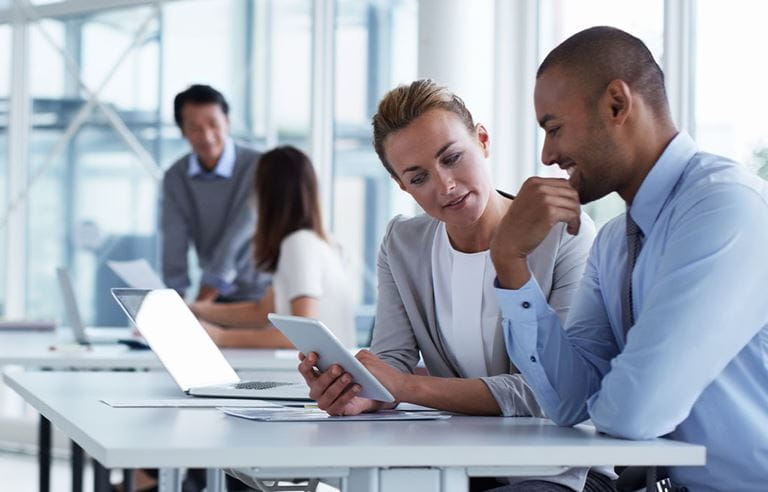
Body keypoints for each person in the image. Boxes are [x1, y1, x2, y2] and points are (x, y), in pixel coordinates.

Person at [489, 26, 768, 492]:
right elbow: (570, 401)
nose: (548, 154)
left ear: (617, 104)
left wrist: (611, 395)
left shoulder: (725, 207)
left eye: (554, 128)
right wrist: (510, 261)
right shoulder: (616, 240)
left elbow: (637, 412)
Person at [298, 80, 613, 491]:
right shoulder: (403, 244)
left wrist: (406, 387)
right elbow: (392, 357)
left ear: (482, 140)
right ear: (401, 185)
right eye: (418, 177)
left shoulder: (564, 235)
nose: (445, 185)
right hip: (463, 466)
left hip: (560, 472)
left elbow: (550, 392)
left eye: (452, 157)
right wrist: (366, 390)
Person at [191, 146, 356, 349]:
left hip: (316, 376)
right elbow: (261, 311)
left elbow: (304, 335)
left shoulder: (298, 244)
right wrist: (194, 309)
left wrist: (220, 337)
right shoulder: (320, 242)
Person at [161, 84, 269, 303]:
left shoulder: (259, 166)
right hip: (216, 296)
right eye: (195, 128)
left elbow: (240, 233)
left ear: (227, 122)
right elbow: (174, 238)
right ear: (182, 131)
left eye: (213, 124)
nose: (207, 136)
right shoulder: (176, 176)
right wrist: (174, 301)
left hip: (262, 293)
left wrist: (201, 302)